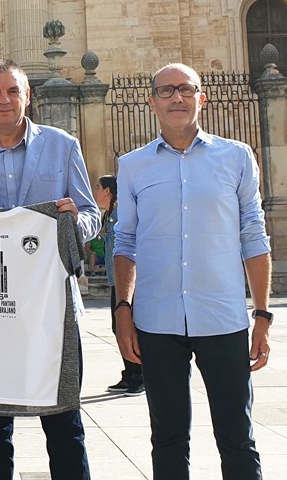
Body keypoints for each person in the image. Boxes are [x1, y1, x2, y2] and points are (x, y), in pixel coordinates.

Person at [0, 58, 100, 480]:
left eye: (13, 91)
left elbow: (90, 213)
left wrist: (73, 222)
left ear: (27, 96)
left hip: (52, 308)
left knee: (64, 421)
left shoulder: (63, 145)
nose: (4, 100)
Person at [113, 63, 272, 480]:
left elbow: (254, 235)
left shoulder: (236, 157)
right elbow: (125, 241)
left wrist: (262, 315)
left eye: (186, 89)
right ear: (151, 102)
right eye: (166, 91)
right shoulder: (132, 165)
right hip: (157, 319)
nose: (177, 98)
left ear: (202, 98)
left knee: (237, 435)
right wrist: (123, 310)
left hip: (222, 317)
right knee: (167, 437)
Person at [94, 175, 144, 396]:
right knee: (118, 327)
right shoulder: (110, 215)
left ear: (107, 191)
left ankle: (139, 376)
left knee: (128, 326)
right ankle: (130, 373)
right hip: (116, 280)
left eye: (97, 187)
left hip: (127, 282)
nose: (95, 191)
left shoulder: (120, 214)